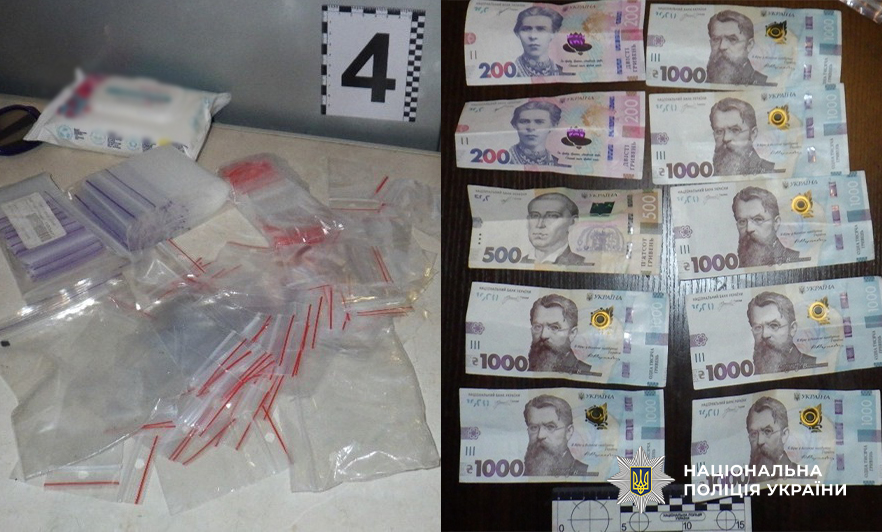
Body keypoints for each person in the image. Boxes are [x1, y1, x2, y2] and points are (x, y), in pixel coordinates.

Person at [747, 291, 817, 374]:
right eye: (758, 327)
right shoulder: (754, 369)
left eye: (774, 325)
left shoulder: (813, 365)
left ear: (792, 329)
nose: (765, 334)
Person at [529, 294, 597, 376]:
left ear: (572, 333)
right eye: (537, 327)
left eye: (554, 327)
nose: (543, 335)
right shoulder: (528, 366)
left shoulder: (586, 373)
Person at [523, 394, 590, 476]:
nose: (540, 435)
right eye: (533, 427)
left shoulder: (584, 473)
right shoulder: (524, 471)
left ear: (569, 432)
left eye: (550, 427)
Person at [731, 186, 800, 267]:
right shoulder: (737, 262)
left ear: (776, 223)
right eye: (742, 221)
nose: (749, 229)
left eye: (758, 219)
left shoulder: (796, 259)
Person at [710, 98, 775, 176]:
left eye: (735, 130)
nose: (726, 138)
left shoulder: (770, 172)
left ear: (753, 134)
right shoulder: (713, 173)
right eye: (719, 131)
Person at [706, 10, 771, 86]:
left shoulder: (764, 84)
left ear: (749, 45)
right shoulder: (706, 80)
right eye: (716, 39)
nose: (722, 46)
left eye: (732, 39)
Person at [745, 396, 797, 481]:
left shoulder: (804, 477)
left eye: (767, 431)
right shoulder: (746, 479)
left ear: (784, 435)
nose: (760, 441)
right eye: (754, 434)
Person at [525, 192, 586, 265]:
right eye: (534, 216)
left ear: (572, 222)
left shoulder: (584, 263)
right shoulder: (520, 262)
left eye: (552, 216)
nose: (540, 225)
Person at [513, 6, 564, 77]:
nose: (533, 36)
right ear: (518, 33)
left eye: (541, 29)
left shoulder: (562, 73)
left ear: (554, 33)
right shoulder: (509, 72)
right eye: (526, 29)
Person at [509, 100, 563, 166]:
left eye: (539, 122)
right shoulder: (504, 159)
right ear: (515, 125)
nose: (531, 128)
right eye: (524, 121)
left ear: (553, 125)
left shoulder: (560, 165)